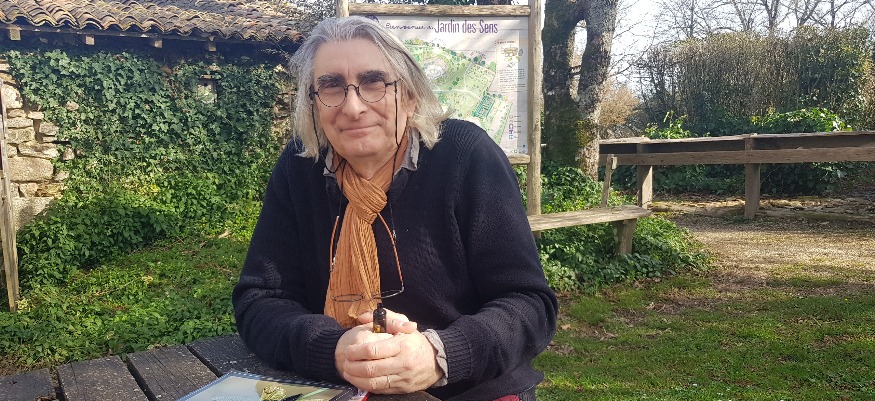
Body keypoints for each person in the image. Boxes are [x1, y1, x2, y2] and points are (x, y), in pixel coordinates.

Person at [232, 16, 557, 401]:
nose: (353, 107)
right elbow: (260, 300)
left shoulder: (465, 156)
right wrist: (332, 348)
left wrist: (439, 355)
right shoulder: (299, 167)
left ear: (410, 95)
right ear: (313, 103)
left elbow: (530, 304)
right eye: (331, 86)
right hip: (342, 387)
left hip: (470, 389)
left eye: (374, 83)